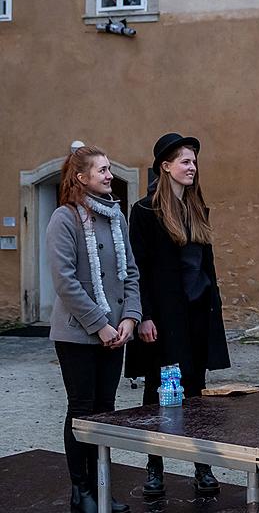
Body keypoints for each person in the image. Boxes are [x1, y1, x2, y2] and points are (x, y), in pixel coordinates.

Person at [124, 133, 230, 497]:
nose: (192, 167)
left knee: (196, 394)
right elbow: (137, 267)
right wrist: (145, 316)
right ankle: (155, 469)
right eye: (185, 161)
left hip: (197, 316)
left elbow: (205, 265)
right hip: (164, 321)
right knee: (158, 393)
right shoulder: (144, 212)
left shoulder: (197, 208)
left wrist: (212, 307)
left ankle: (203, 467)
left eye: (194, 161)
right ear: (165, 166)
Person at [47, 145, 141, 513]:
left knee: (106, 411)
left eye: (108, 169)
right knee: (83, 410)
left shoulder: (116, 218)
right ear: (81, 177)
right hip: (78, 334)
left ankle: (103, 488)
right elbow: (65, 282)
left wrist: (130, 317)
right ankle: (80, 491)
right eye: (101, 170)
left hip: (115, 332)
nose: (108, 175)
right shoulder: (64, 218)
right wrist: (100, 325)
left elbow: (130, 273)